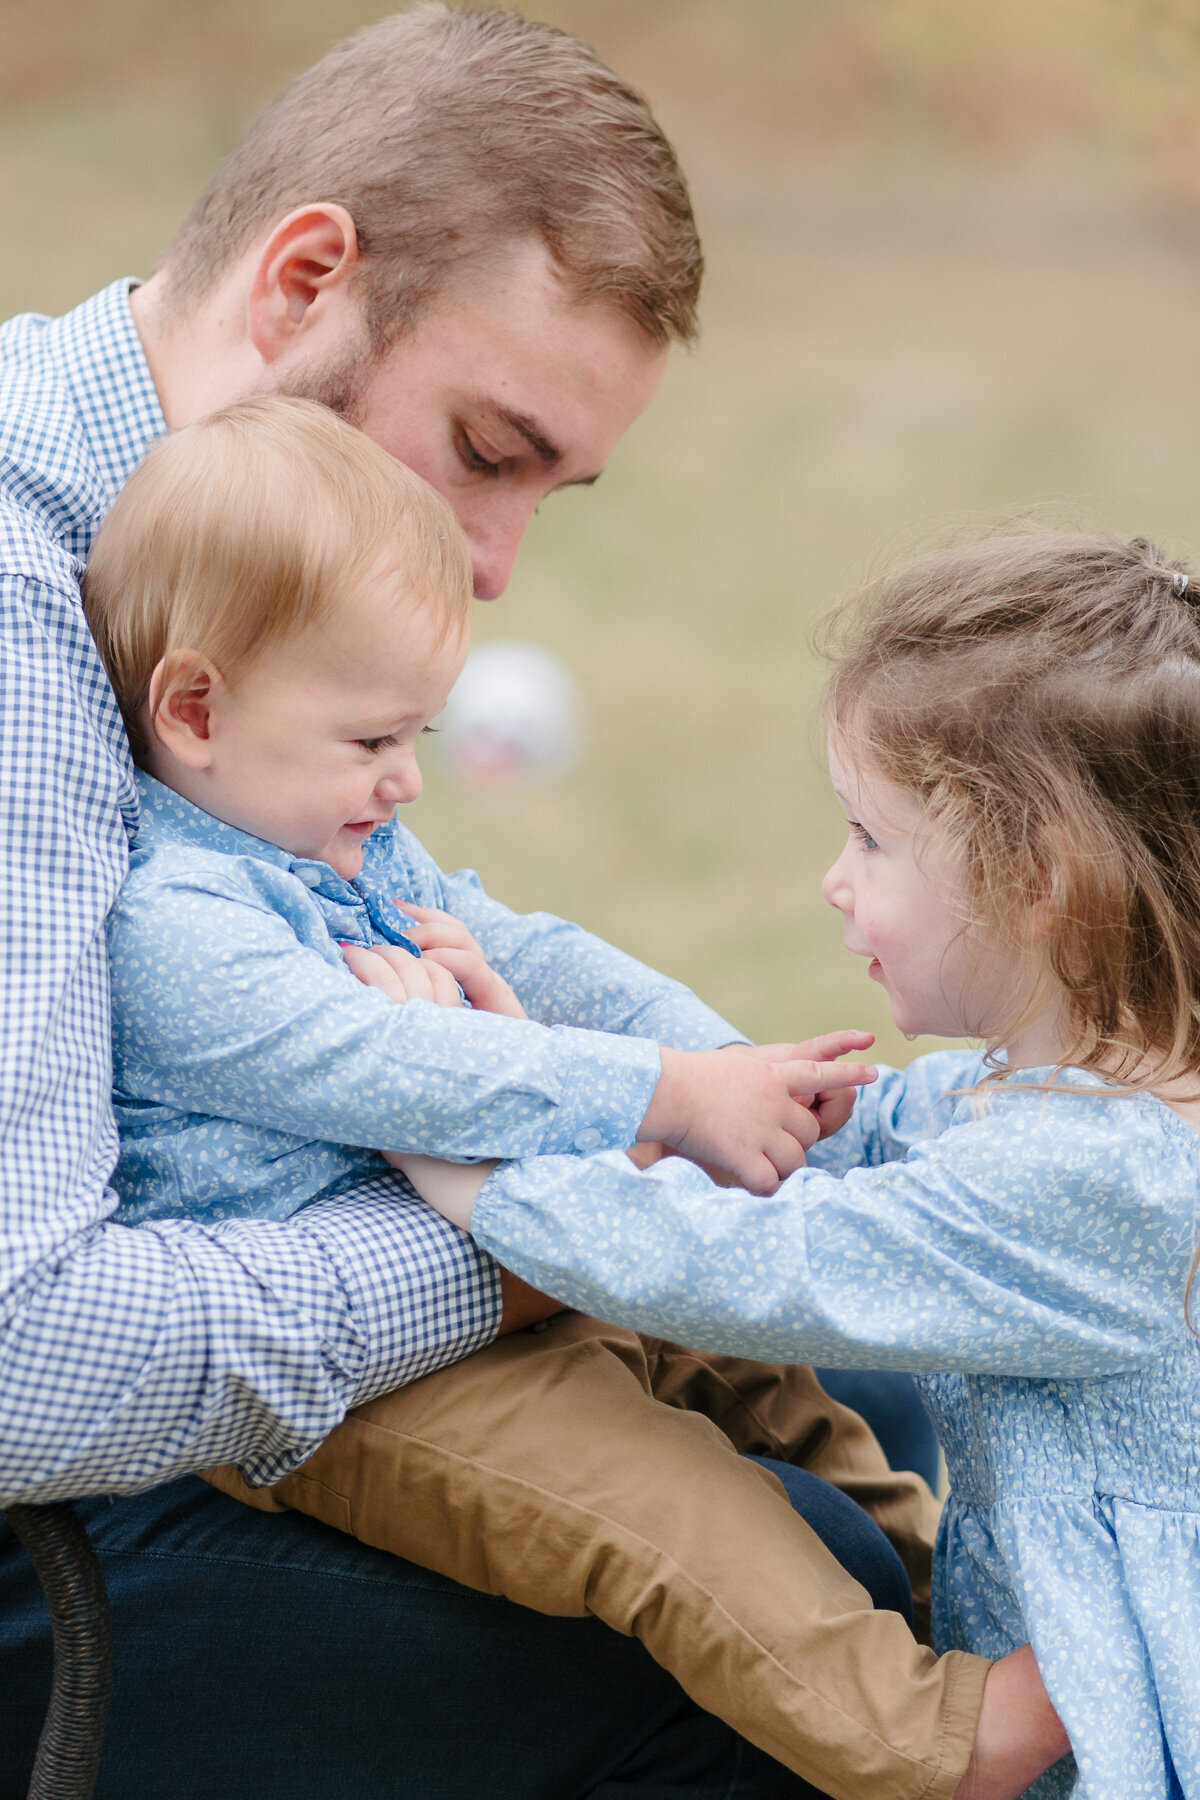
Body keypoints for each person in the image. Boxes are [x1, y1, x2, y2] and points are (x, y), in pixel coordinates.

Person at [0, 9, 994, 1794]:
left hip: (254, 1315)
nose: (496, 562)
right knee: (793, 1625)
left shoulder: (249, 580)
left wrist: (814, 1138)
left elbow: (446, 935)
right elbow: (31, 1363)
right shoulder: (15, 630)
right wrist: (550, 1226)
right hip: (53, 1511)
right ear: (305, 280)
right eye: (487, 445)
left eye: (556, 485)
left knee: (921, 1389)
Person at [401, 529, 1200, 1800]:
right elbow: (811, 1137)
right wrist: (554, 1045)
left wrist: (470, 1161)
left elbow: (759, 1266)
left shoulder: (1109, 1183)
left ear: (1037, 880)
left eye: (870, 841)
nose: (834, 881)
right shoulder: (1053, 1102)